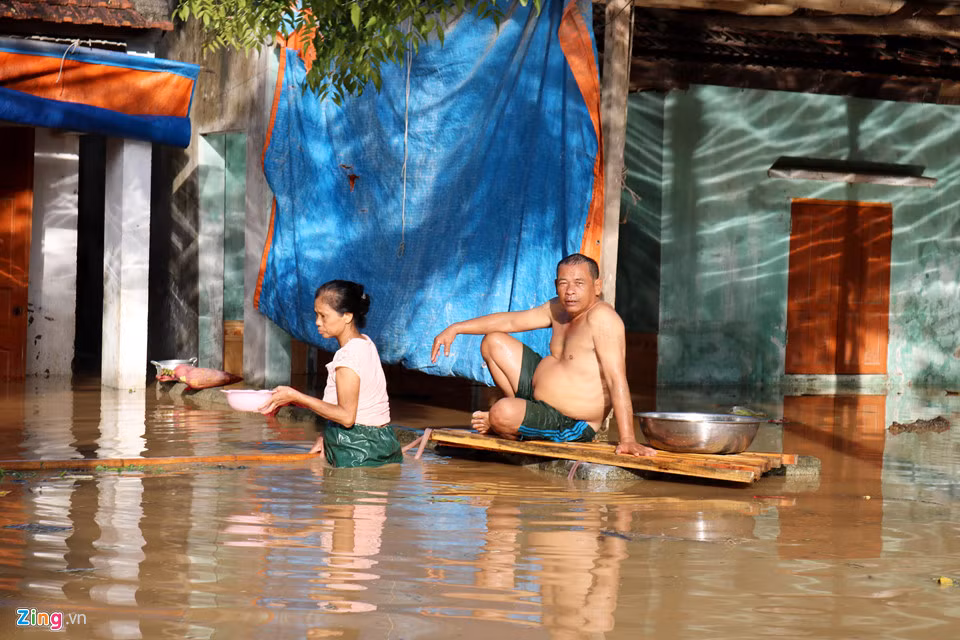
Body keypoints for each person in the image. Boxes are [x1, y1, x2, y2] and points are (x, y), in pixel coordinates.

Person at [431, 253, 656, 456]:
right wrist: (457, 328)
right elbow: (510, 321)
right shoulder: (557, 308)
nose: (570, 291)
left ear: (596, 287)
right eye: (563, 283)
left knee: (500, 412)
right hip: (537, 395)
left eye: (579, 283)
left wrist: (628, 439)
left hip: (571, 421)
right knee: (493, 341)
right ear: (556, 285)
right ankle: (516, 418)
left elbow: (618, 380)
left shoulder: (603, 319)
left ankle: (506, 421)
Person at [259, 280, 402, 468]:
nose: (317, 322)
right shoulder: (365, 343)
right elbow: (362, 413)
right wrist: (326, 436)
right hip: (383, 444)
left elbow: (346, 417)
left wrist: (296, 396)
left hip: (357, 450)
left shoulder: (347, 357)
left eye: (323, 316)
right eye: (316, 315)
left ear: (347, 316)